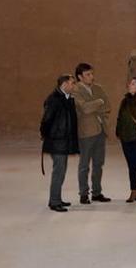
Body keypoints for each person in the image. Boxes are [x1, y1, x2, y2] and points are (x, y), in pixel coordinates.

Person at [72, 62, 112, 204]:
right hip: (86, 132)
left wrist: (96, 104)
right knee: (84, 165)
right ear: (80, 77)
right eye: (88, 75)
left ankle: (97, 192)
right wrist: (98, 102)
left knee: (98, 164)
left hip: (100, 130)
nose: (91, 77)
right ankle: (83, 194)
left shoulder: (98, 88)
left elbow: (107, 106)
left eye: (92, 74)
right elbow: (84, 109)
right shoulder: (75, 90)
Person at [40, 74, 79, 212]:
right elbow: (46, 121)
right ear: (64, 85)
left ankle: (57, 198)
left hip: (63, 142)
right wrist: (48, 136)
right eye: (72, 83)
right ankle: (54, 201)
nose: (74, 86)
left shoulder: (67, 98)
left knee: (61, 172)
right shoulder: (54, 100)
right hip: (57, 142)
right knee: (58, 172)